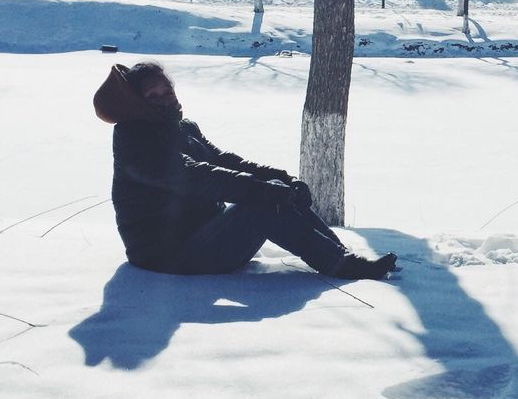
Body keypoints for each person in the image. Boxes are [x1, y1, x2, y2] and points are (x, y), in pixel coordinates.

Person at [93, 61, 396, 280]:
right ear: (137, 103)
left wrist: (282, 179)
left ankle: (341, 255)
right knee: (261, 206)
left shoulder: (182, 128)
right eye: (153, 96)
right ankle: (341, 266)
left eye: (167, 89)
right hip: (168, 256)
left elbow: (223, 161)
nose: (166, 97)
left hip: (201, 236)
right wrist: (263, 191)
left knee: (273, 191)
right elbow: (195, 175)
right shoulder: (134, 139)